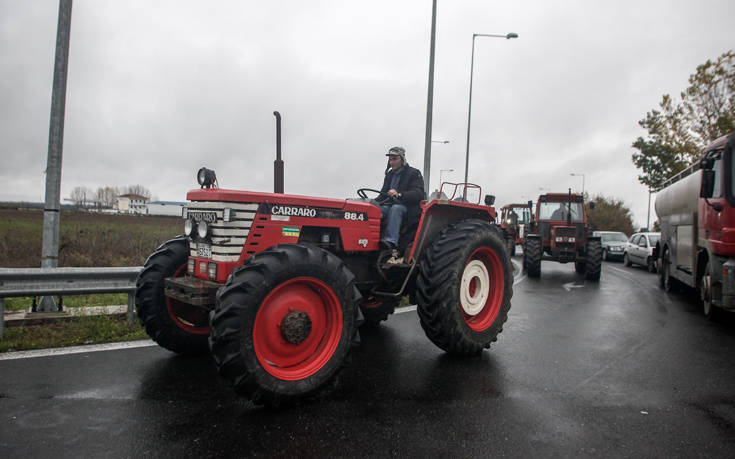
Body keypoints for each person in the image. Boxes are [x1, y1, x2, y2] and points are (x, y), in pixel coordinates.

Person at [376, 146, 425, 253]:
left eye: (394, 159)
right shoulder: (390, 174)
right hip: (388, 205)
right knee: (376, 210)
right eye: (390, 159)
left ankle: (391, 241)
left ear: (402, 159)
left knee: (396, 208)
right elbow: (383, 194)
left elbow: (418, 194)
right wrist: (371, 203)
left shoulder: (414, 173)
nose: (392, 162)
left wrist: (399, 194)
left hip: (408, 208)